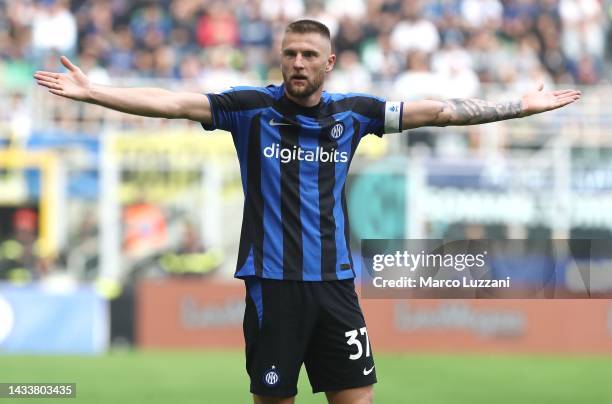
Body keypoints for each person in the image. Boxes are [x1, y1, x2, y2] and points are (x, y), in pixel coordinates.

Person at [34, 19, 580, 404]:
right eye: (290, 54)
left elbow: (439, 111)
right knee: (274, 398)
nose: (298, 63)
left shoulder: (354, 115)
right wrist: (94, 92)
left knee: (357, 396)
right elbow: (175, 103)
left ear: (329, 62)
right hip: (272, 283)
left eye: (309, 55)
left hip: (336, 285)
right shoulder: (250, 109)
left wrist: (518, 106)